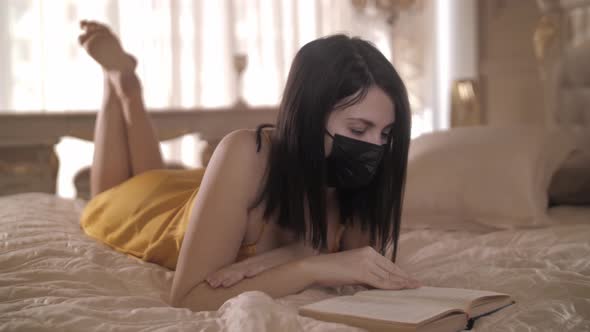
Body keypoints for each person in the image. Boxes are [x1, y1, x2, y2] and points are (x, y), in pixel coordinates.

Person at [77, 20, 420, 312]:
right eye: (358, 130)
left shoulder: (353, 178)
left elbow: (356, 260)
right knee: (108, 196)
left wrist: (301, 258)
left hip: (203, 189)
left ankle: (128, 90)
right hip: (160, 212)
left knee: (153, 176)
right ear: (309, 116)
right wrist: (310, 268)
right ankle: (119, 85)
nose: (375, 146)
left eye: (386, 133)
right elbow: (190, 296)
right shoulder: (246, 151)